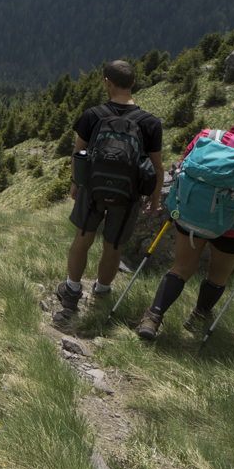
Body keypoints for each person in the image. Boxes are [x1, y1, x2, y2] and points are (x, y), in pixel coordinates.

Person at [135, 91, 234, 340]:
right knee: (218, 275)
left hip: (190, 218)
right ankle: (198, 316)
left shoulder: (206, 136)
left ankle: (152, 318)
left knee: (181, 268)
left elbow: (181, 168)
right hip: (233, 226)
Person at [56, 60, 164, 316]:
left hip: (92, 190)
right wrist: (155, 196)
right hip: (128, 195)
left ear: (107, 82)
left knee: (83, 238)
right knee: (113, 245)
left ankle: (71, 292)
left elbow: (78, 153)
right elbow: (157, 166)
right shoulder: (149, 122)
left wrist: (76, 183)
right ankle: (102, 291)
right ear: (134, 83)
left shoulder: (93, 115)